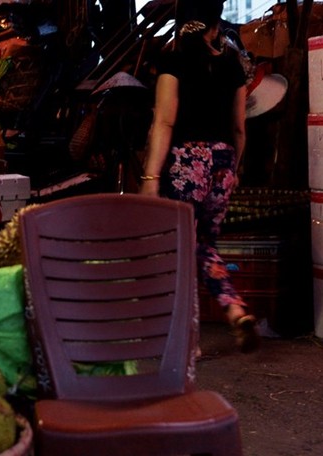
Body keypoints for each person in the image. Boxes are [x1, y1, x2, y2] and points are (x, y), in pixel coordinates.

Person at [139, 0, 260, 352]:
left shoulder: (172, 60)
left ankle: (186, 339)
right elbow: (239, 129)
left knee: (178, 248)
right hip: (222, 161)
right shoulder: (233, 66)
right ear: (214, 23)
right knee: (202, 245)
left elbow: (164, 121)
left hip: (186, 163)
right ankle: (235, 310)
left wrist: (150, 179)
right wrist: (231, 170)